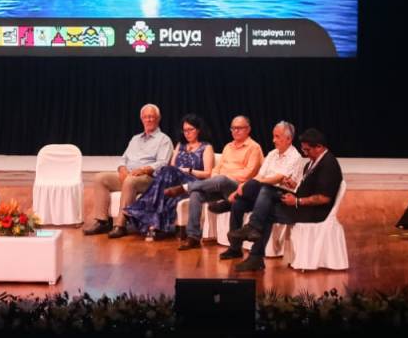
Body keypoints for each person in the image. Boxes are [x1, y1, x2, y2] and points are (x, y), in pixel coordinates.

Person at [225, 127, 343, 271]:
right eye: (303, 150)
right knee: (266, 190)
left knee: (265, 207)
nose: (305, 153)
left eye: (307, 150)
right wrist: (293, 185)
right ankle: (254, 240)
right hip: (300, 204)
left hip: (313, 212)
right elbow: (306, 188)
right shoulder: (312, 162)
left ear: (319, 147)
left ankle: (255, 248)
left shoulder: (328, 165)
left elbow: (324, 198)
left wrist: (297, 201)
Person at [168, 115, 263, 250]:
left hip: (238, 189)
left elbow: (248, 173)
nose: (235, 131)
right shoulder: (228, 147)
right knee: (196, 193)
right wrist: (218, 177)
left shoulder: (254, 148)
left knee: (222, 179)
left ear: (248, 129)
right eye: (233, 128)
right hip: (220, 187)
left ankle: (185, 187)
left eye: (239, 128)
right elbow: (216, 169)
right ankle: (193, 236)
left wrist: (224, 177)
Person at [83, 104, 173, 238]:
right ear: (141, 119)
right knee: (100, 178)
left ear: (158, 119)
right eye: (145, 117)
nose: (148, 120)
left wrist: (143, 170)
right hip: (129, 175)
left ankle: (120, 225)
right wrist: (122, 169)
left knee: (130, 181)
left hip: (148, 178)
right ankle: (102, 222)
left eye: (151, 117)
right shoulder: (135, 139)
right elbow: (123, 158)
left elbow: (162, 163)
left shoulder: (164, 140)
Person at [122, 113, 214, 239]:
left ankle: (139, 209)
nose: (187, 133)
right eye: (185, 130)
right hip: (175, 181)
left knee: (168, 171)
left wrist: (189, 170)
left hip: (192, 182)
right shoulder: (180, 145)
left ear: (198, 130)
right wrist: (176, 171)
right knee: (167, 174)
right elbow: (172, 166)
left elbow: (208, 174)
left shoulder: (206, 147)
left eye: (190, 130)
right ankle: (155, 225)